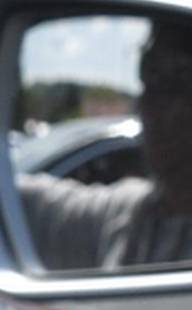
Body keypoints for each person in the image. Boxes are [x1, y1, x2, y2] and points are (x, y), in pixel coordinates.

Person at [18, 24, 192, 269]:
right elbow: (26, 205)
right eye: (147, 74)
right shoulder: (132, 215)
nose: (147, 105)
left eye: (178, 80)